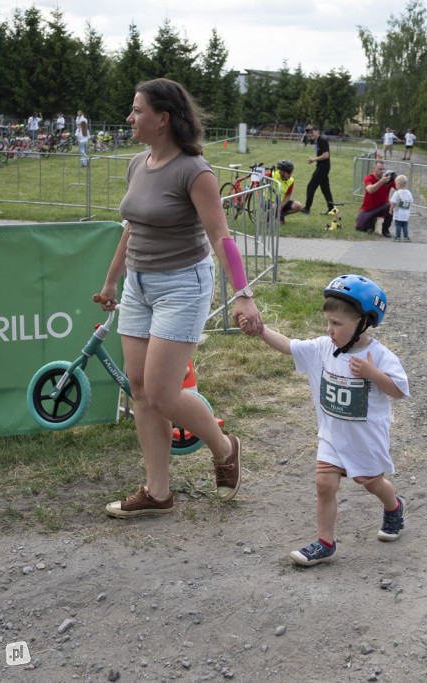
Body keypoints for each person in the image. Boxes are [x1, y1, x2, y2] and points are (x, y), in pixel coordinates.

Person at [98, 77, 263, 518]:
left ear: (163, 118)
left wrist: (242, 294)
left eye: (137, 111)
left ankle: (225, 448)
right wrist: (113, 280)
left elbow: (221, 237)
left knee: (162, 392)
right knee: (139, 388)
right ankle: (157, 493)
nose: (130, 118)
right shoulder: (139, 163)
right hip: (139, 286)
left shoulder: (196, 170)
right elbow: (132, 226)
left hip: (182, 286)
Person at [241, 274, 409, 566]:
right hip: (332, 436)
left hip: (365, 440)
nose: (329, 330)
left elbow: (399, 391)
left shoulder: (379, 356)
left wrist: (374, 375)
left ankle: (393, 507)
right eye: (328, 322)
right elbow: (289, 346)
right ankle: (325, 543)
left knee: (371, 483)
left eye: (337, 324)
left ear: (363, 323)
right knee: (324, 485)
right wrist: (261, 331)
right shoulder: (322, 348)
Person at [355, 160, 397, 237]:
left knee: (389, 206)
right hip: (368, 208)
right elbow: (370, 190)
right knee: (360, 228)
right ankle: (372, 222)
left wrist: (397, 179)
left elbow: (399, 188)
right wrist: (381, 181)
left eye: (384, 169)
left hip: (383, 207)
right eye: (380, 169)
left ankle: (385, 229)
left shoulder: (388, 179)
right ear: (374, 169)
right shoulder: (368, 178)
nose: (383, 171)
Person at [300, 126, 334, 214]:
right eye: (309, 133)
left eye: (312, 132)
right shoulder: (318, 141)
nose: (310, 134)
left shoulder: (322, 140)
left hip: (323, 168)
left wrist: (314, 159)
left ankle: (307, 208)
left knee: (311, 186)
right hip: (322, 167)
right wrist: (315, 160)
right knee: (325, 189)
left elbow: (326, 155)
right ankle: (331, 209)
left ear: (317, 131)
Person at [389, 174, 413, 242]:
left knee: (398, 225)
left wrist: (391, 209)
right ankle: (406, 237)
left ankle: (398, 237)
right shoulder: (409, 193)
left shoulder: (397, 193)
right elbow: (411, 201)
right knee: (405, 225)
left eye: (396, 183)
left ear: (399, 183)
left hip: (398, 214)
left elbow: (393, 202)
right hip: (406, 214)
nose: (395, 185)